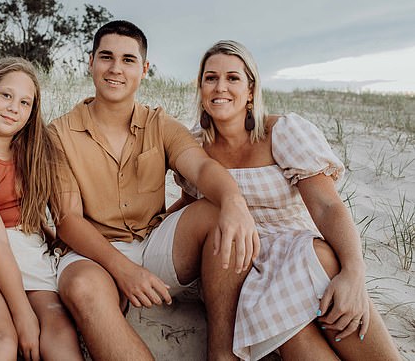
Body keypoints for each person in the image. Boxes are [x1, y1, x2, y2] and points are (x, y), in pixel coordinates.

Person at [170, 40, 400, 360]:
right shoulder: (194, 147)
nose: (220, 86)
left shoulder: (281, 132)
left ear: (251, 90)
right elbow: (187, 205)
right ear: (201, 87)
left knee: (330, 278)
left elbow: (327, 205)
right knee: (299, 342)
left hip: (295, 256)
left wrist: (354, 272)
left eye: (232, 78)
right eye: (211, 78)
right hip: (240, 268)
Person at [48, 20, 260, 361]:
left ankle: (223, 353)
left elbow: (203, 168)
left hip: (154, 244)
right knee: (82, 288)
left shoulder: (160, 123)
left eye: (128, 60)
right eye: (106, 57)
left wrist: (234, 201)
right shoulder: (59, 133)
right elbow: (68, 221)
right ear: (91, 63)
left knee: (218, 211)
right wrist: (124, 271)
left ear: (144, 69)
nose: (116, 69)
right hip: (92, 252)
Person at [0, 57, 83, 361]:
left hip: (31, 254)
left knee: (59, 337)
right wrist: (22, 314)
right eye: (6, 95)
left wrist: (51, 236)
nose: (13, 107)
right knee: (2, 341)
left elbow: (30, 215)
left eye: (25, 102)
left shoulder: (32, 152)